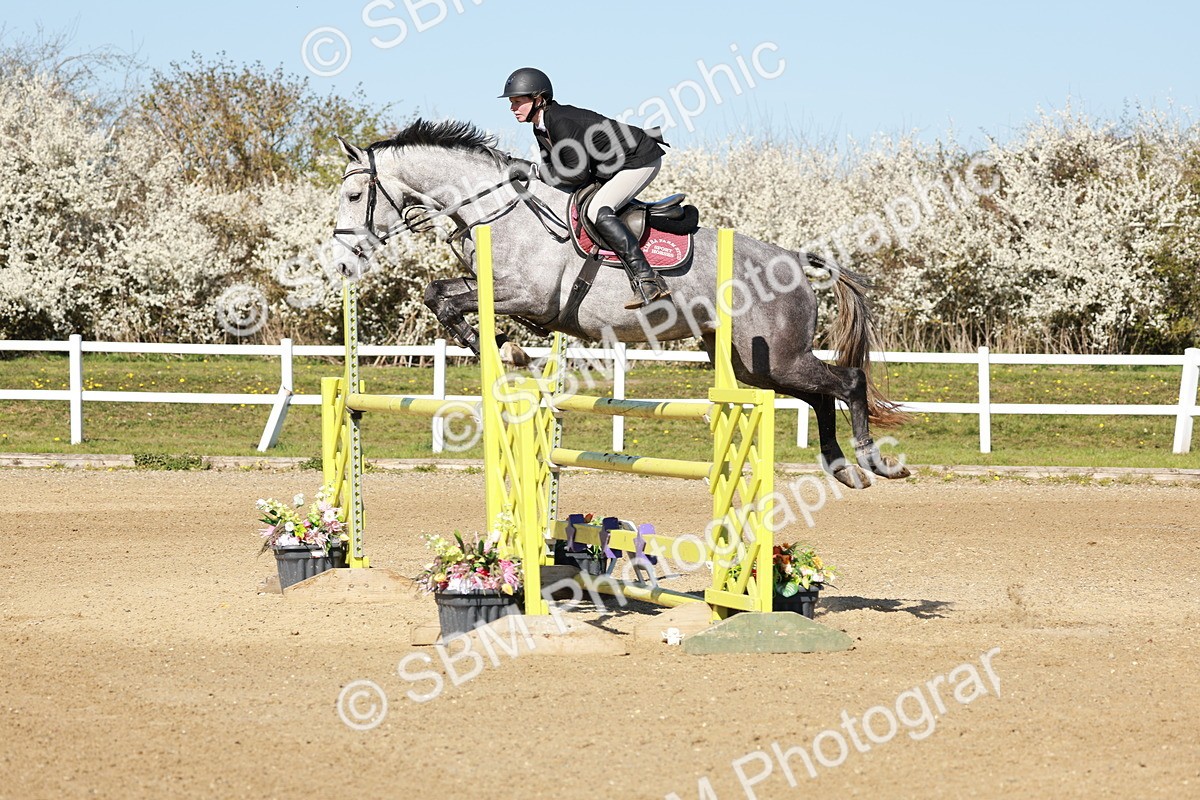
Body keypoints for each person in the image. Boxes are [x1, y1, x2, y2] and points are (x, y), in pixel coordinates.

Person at [499, 67, 671, 309]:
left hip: (638, 158)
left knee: (598, 209)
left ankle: (648, 280)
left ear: (538, 100)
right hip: (610, 166)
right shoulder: (540, 127)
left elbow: (575, 173)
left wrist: (534, 171)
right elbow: (553, 169)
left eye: (517, 102)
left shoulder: (560, 122)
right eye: (511, 102)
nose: (512, 108)